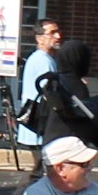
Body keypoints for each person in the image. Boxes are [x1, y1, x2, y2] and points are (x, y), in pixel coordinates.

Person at [13, 19, 64, 155]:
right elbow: (50, 95)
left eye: (58, 32)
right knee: (43, 172)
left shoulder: (43, 58)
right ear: (39, 38)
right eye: (52, 33)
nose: (58, 36)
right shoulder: (43, 61)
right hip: (38, 127)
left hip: (35, 128)